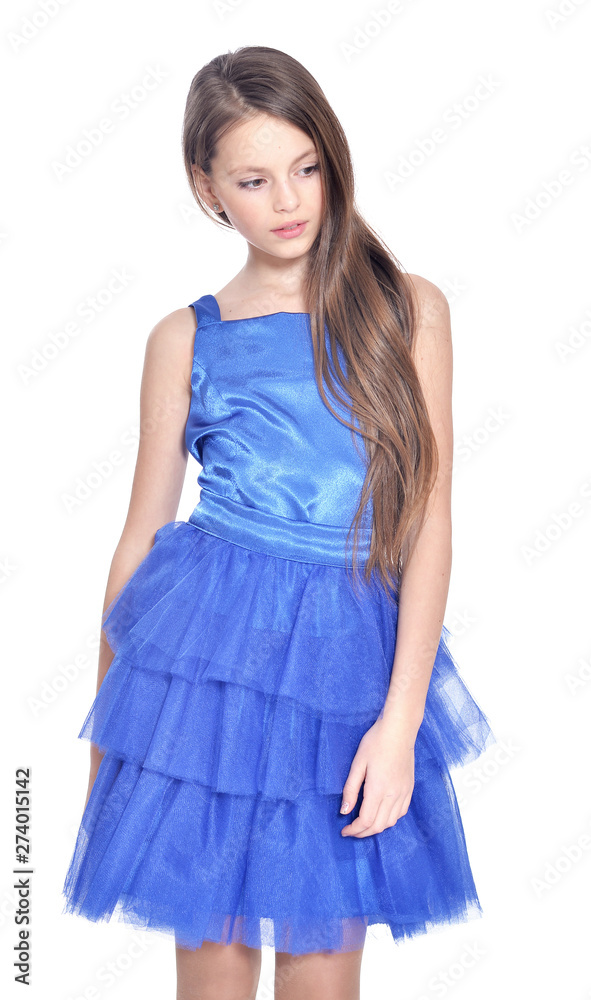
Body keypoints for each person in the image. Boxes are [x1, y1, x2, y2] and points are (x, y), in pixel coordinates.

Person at [61, 45, 496, 1000]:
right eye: (253, 180)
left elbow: (428, 520)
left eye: (304, 167)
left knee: (320, 980)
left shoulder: (404, 310)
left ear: (332, 157)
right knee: (209, 983)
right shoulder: (186, 338)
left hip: (342, 686)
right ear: (207, 188)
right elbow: (139, 539)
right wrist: (111, 740)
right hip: (205, 687)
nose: (288, 200)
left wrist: (400, 718)